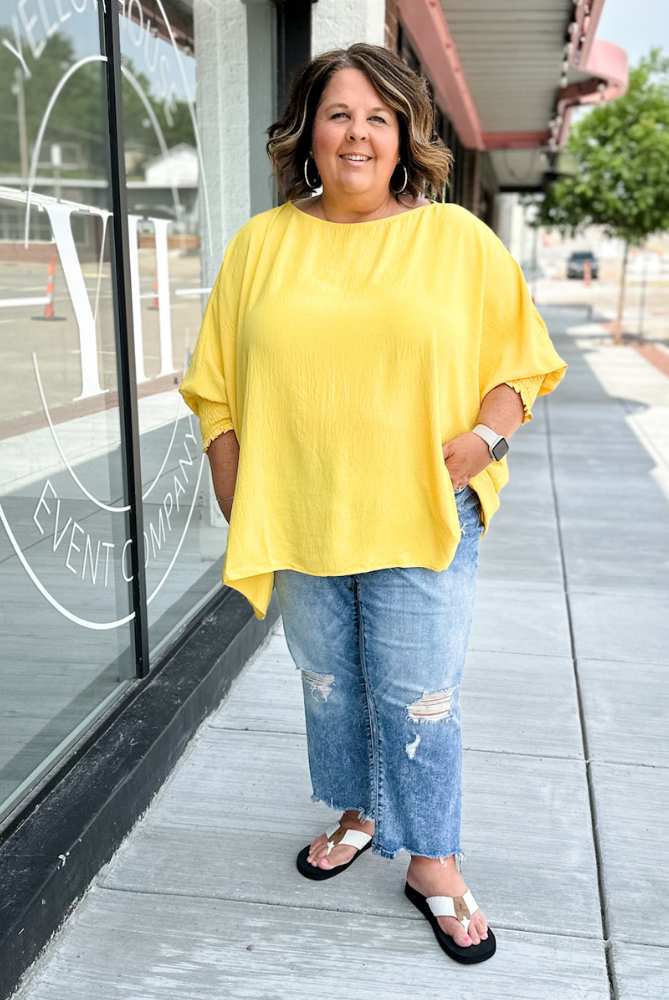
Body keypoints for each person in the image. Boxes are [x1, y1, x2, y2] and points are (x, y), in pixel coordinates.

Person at [180, 43, 567, 965]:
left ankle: (433, 860)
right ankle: (361, 810)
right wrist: (233, 480)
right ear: (308, 133)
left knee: (419, 697)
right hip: (302, 510)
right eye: (339, 115)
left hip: (422, 508)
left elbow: (520, 362)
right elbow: (217, 383)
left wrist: (488, 439)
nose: (357, 134)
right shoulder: (261, 244)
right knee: (329, 683)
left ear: (403, 137)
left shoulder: (456, 240)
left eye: (377, 118)